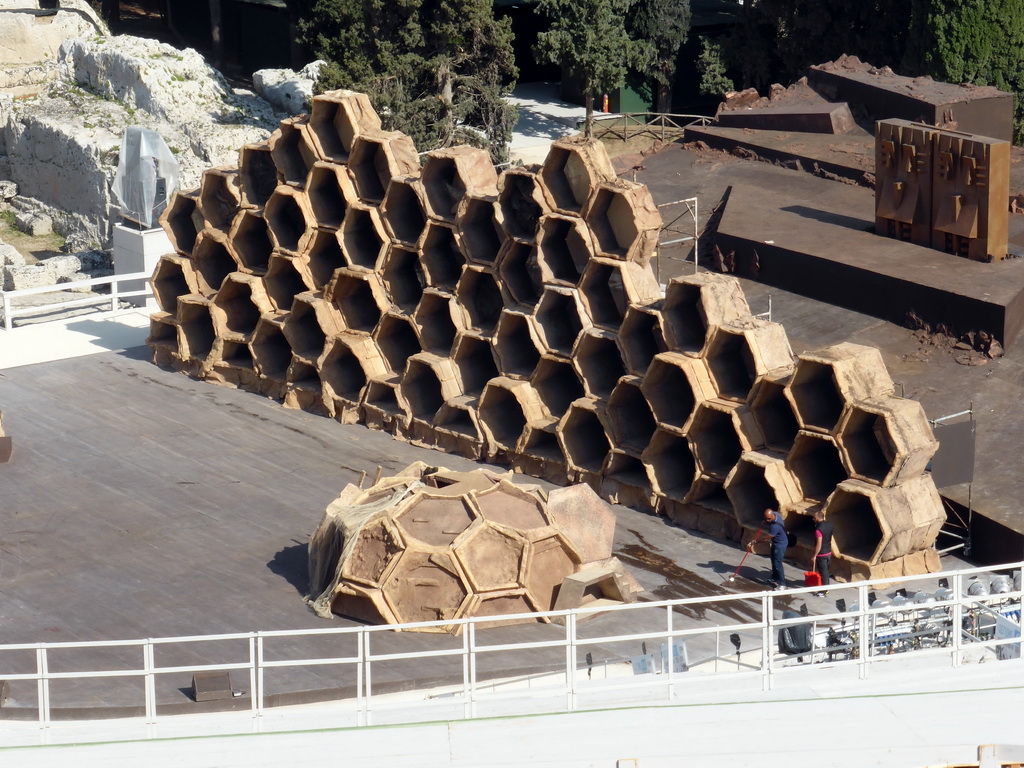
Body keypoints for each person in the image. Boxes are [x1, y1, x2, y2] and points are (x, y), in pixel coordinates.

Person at [749, 508, 787, 590]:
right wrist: (766, 522)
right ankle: (775, 579)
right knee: (773, 561)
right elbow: (769, 521)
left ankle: (782, 584)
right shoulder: (777, 514)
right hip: (776, 543)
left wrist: (756, 541)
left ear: (773, 515)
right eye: (766, 518)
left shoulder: (775, 526)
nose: (768, 520)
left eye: (769, 519)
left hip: (780, 545)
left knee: (778, 564)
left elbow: (766, 538)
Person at [810, 510, 833, 596]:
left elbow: (819, 544)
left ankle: (824, 591)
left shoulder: (818, 530)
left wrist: (815, 555)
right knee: (825, 571)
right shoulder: (829, 525)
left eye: (814, 518)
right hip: (828, 552)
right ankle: (826, 587)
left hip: (821, 554)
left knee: (823, 572)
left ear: (819, 518)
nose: (813, 519)